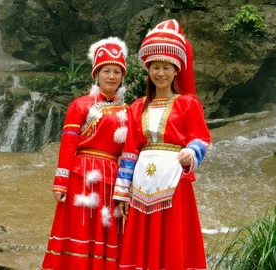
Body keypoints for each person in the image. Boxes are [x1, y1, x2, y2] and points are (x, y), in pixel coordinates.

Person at [113, 19, 211, 270]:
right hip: (141, 185)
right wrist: (122, 193)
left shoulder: (188, 104)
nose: (160, 73)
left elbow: (201, 138)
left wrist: (191, 153)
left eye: (166, 67)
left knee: (173, 239)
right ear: (148, 70)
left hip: (174, 180)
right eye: (155, 67)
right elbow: (130, 151)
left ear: (176, 69)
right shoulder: (136, 106)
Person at [42, 37, 129, 270]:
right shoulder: (80, 105)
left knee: (106, 230)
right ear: (96, 74)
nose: (111, 76)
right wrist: (61, 181)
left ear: (122, 77)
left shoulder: (128, 111)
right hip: (82, 177)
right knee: (79, 228)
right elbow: (68, 143)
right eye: (106, 71)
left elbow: (131, 151)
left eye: (116, 72)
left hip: (111, 177)